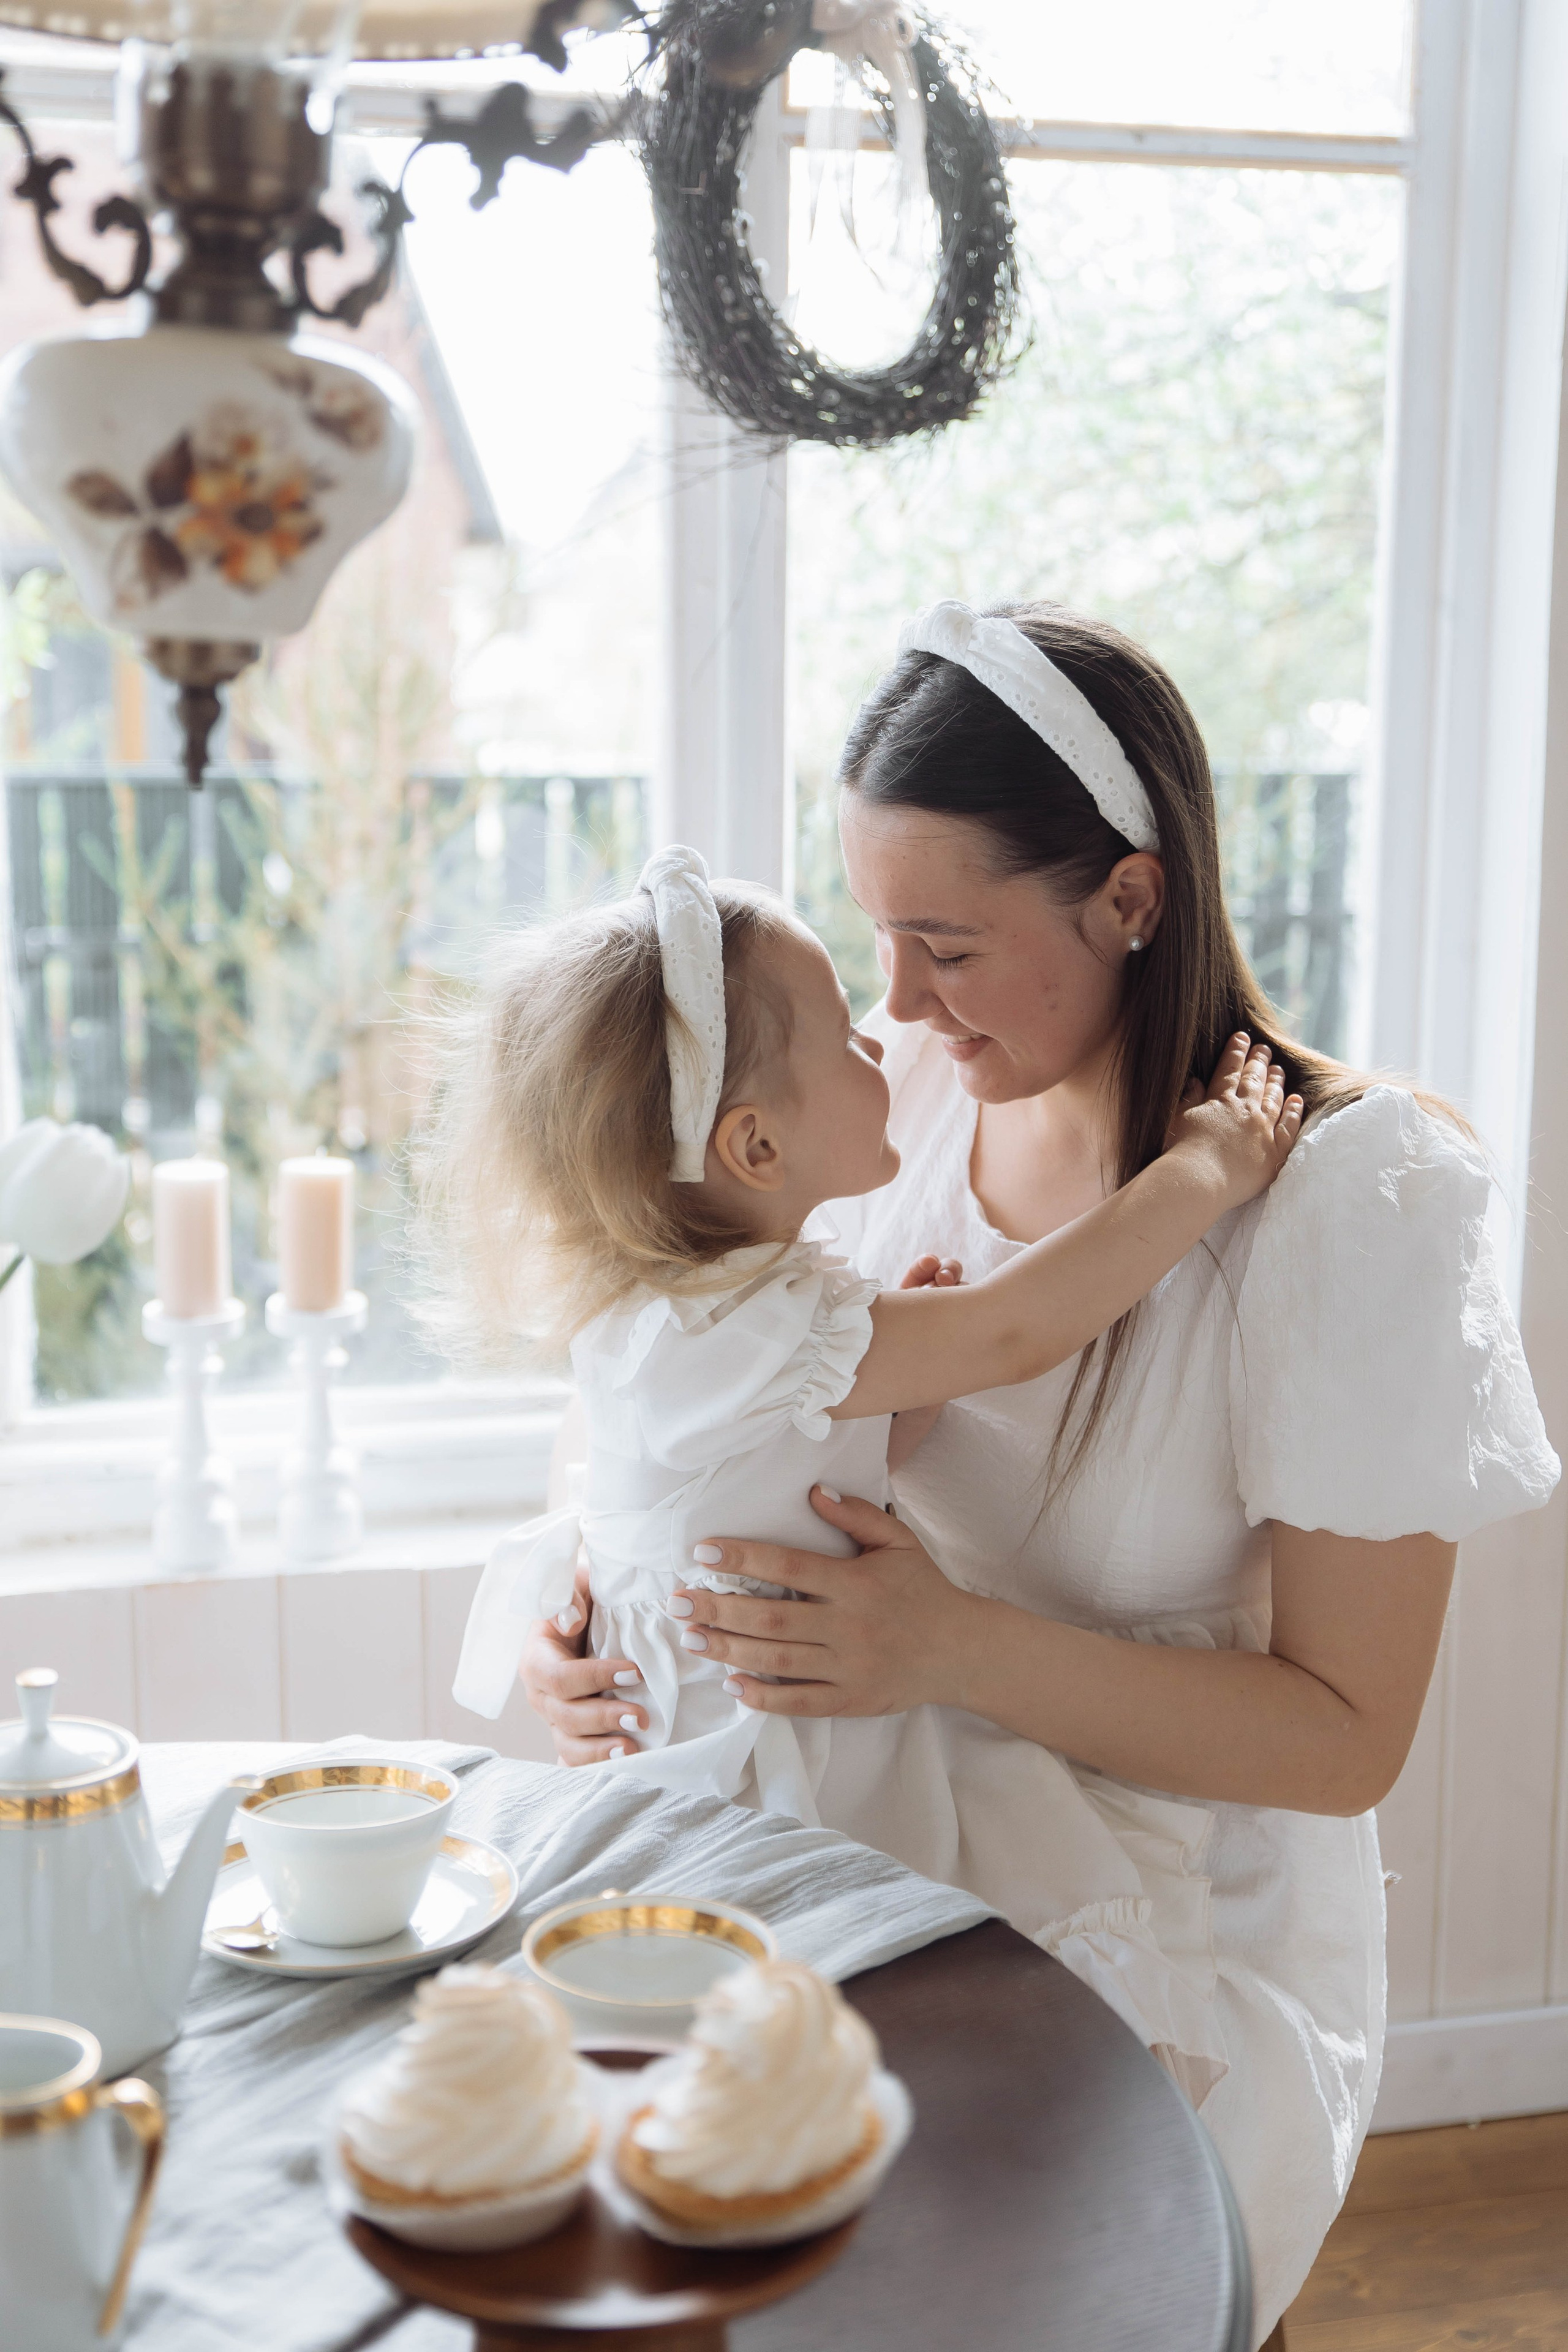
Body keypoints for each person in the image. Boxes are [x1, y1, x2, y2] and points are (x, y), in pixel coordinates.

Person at [521, 600, 1561, 2344]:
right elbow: (698, 1366)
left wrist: (944, 1650)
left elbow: (1347, 1740)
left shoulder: (1353, 1197)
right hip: (866, 1822)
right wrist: (605, 1593)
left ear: (1131, 898)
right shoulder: (902, 1095)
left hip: (1158, 1928)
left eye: (946, 943)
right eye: (878, 944)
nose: (903, 1005)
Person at [425, 808, 1302, 2077]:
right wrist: (1202, 1173)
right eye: (844, 1037)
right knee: (852, 2012)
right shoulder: (767, 1321)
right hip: (777, 1745)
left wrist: (894, 1379)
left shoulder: (677, 1312)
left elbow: (787, 1471)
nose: (884, 1044)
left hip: (704, 1702)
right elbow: (1015, 1332)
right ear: (757, 1146)